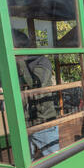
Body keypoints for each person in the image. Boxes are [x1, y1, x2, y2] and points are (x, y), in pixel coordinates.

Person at [13, 30, 59, 159]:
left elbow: (36, 83)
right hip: (22, 122)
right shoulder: (12, 65)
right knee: (27, 162)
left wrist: (19, 59)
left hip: (43, 121)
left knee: (54, 161)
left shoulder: (41, 61)